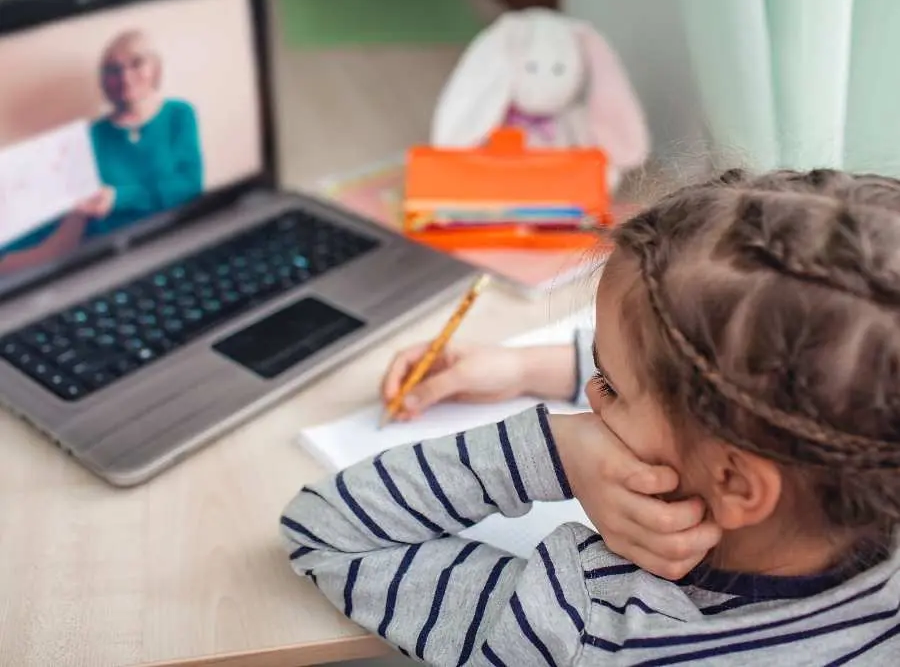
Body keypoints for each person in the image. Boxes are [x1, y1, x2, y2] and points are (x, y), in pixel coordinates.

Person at [280, 168, 900, 665]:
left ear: (738, 484)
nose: (584, 391)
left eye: (607, 384)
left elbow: (326, 531)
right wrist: (528, 368)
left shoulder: (586, 625)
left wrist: (551, 451)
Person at [0, 29, 202, 273]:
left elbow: (189, 186)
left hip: (173, 244)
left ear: (155, 68)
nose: (125, 77)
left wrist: (118, 197)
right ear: (104, 81)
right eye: (113, 70)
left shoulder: (179, 114)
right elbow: (51, 210)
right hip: (108, 260)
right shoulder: (88, 136)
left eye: (137, 63)